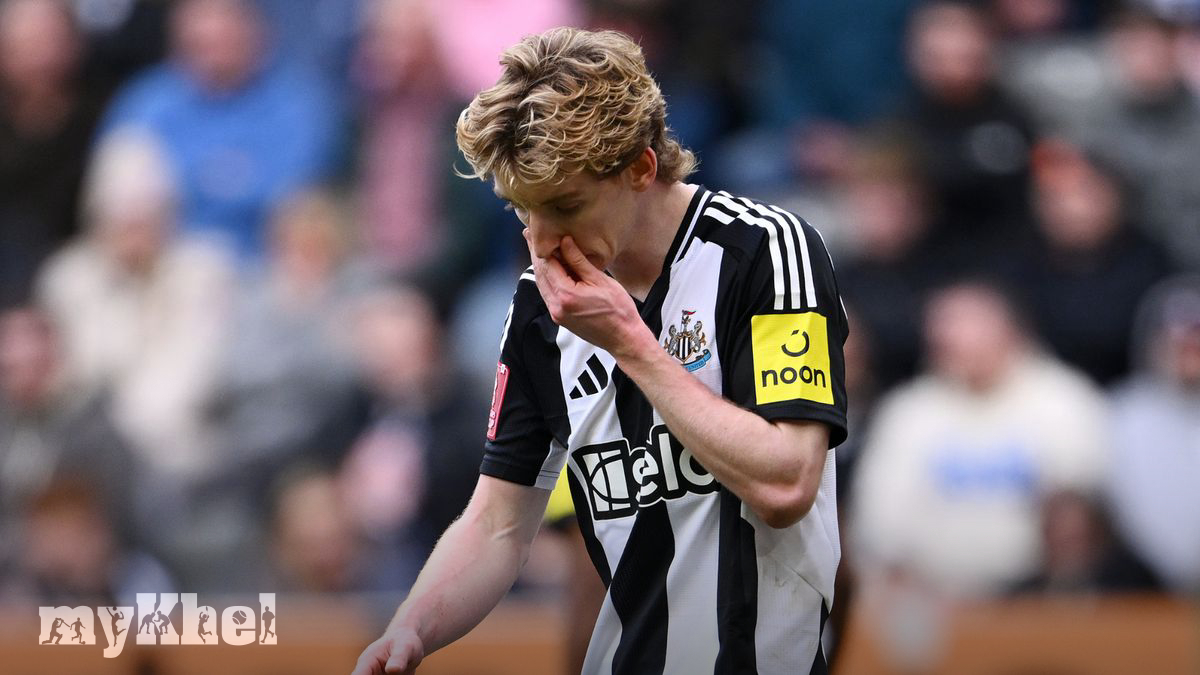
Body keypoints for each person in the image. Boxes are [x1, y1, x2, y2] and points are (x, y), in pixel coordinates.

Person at [352, 27, 848, 675]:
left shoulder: (767, 251)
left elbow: (787, 482)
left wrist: (632, 345)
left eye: (565, 205)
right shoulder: (539, 305)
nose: (542, 241)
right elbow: (498, 523)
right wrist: (411, 631)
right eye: (522, 210)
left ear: (641, 167)